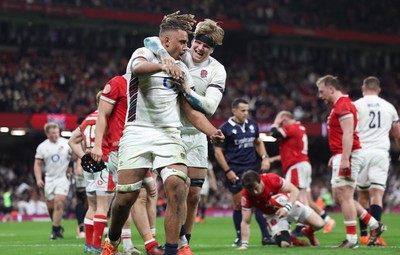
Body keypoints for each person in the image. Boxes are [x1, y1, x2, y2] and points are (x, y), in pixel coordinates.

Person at [100, 11, 224, 255]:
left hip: (169, 133)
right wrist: (163, 63)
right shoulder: (143, 53)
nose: (187, 48)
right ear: (166, 42)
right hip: (138, 130)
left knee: (178, 185)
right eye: (183, 43)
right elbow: (137, 68)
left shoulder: (182, 70)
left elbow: (192, 112)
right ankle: (112, 241)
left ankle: (171, 250)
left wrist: (212, 131)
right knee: (126, 196)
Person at [144, 18, 226, 254]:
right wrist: (164, 55)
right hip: (172, 131)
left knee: (194, 196)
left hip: (197, 133)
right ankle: (177, 242)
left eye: (206, 47)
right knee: (176, 190)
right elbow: (149, 40)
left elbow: (209, 107)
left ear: (213, 49)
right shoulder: (180, 53)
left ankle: (183, 243)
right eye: (197, 43)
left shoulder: (216, 70)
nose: (199, 49)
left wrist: (186, 90)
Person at [91, 74, 159, 255]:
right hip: (120, 149)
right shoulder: (118, 83)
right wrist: (98, 146)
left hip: (138, 148)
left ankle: (126, 243)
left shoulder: (147, 86)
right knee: (133, 197)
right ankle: (145, 243)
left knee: (131, 198)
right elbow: (102, 117)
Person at [316, 74, 386, 248]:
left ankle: (352, 240)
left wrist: (345, 158)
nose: (320, 95)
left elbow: (348, 133)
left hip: (350, 155)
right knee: (338, 196)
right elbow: (342, 134)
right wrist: (337, 155)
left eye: (322, 91)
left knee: (345, 196)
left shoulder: (344, 106)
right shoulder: (340, 105)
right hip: (343, 154)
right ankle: (374, 224)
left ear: (332, 89)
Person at [69, 91, 124, 254]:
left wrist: (85, 157)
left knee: (91, 206)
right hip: (104, 164)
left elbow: (72, 141)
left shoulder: (88, 119)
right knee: (102, 207)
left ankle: (88, 245)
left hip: (90, 168)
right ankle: (97, 246)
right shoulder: (109, 119)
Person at [214, 98, 274, 247]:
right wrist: (228, 171)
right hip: (235, 170)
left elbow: (258, 142)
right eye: (243, 110)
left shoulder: (252, 125)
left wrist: (265, 158)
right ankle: (240, 237)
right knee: (238, 205)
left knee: (260, 201)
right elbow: (218, 152)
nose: (246, 113)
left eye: (247, 110)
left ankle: (266, 237)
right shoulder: (225, 128)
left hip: (252, 168)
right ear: (234, 111)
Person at [269, 110, 336, 234]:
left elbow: (273, 134)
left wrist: (276, 122)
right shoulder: (299, 128)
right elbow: (290, 151)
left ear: (285, 120)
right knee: (304, 197)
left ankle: (297, 226)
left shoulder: (291, 127)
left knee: (293, 195)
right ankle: (304, 226)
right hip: (303, 164)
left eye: (282, 122)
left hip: (296, 166)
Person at [354, 76, 400, 246]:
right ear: (379, 90)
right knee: (377, 194)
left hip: (361, 152)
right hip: (380, 153)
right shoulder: (389, 107)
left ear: (363, 88)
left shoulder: (356, 105)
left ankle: (365, 234)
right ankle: (376, 236)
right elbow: (397, 132)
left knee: (362, 195)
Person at [239, 170, 324, 249]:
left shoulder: (271, 179)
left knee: (319, 224)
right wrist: (244, 245)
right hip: (272, 215)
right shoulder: (246, 195)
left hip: (287, 204)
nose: (255, 192)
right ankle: (292, 239)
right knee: (285, 244)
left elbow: (294, 190)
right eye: (251, 191)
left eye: (256, 188)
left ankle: (308, 232)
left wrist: (286, 208)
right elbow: (245, 221)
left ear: (260, 181)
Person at [34, 122, 72, 240]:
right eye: (53, 133)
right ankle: (58, 227)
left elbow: (75, 156)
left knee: (59, 202)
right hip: (49, 178)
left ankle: (54, 231)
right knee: (50, 206)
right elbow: (38, 164)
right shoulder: (42, 147)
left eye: (57, 132)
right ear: (47, 134)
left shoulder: (67, 143)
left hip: (63, 177)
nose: (56, 135)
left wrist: (71, 168)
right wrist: (39, 179)